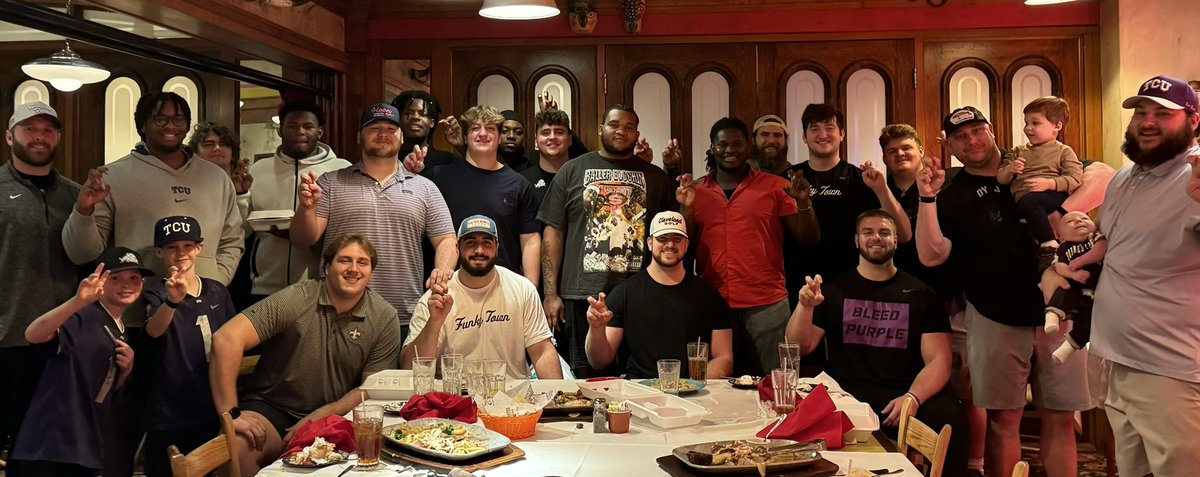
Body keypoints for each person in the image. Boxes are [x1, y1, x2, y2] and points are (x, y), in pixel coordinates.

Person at [916, 106, 1089, 477]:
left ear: (992, 130)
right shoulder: (952, 194)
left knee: (1060, 419)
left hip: (1060, 313)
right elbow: (932, 256)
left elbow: (1097, 181)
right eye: (961, 137)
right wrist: (927, 199)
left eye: (977, 130)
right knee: (1002, 420)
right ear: (950, 146)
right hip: (995, 315)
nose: (972, 140)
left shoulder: (1032, 158)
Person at [785, 209, 968, 476]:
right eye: (868, 232)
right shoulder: (835, 289)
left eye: (884, 232)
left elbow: (939, 361)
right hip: (848, 394)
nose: (876, 238)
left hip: (903, 392)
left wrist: (912, 398)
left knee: (952, 423)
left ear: (896, 241)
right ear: (857, 241)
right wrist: (804, 307)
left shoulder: (921, 294)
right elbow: (799, 347)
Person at [209, 234, 401, 476]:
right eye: (345, 261)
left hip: (336, 418)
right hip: (271, 409)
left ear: (371, 272)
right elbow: (225, 339)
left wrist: (319, 417)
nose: (353, 269)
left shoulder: (385, 317)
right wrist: (231, 415)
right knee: (232, 451)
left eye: (362, 263)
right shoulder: (298, 297)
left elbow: (371, 387)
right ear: (327, 267)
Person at [1091, 74, 1200, 477]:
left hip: (1169, 369)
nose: (1147, 122)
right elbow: (1109, 248)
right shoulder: (1124, 178)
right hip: (1116, 360)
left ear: (1194, 120)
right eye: (1140, 112)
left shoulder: (1195, 176)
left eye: (1162, 114)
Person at [538, 104, 676, 377]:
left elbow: (671, 236)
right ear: (601, 129)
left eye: (629, 127)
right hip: (581, 295)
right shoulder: (572, 170)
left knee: (639, 377)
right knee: (587, 380)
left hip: (639, 296)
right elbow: (553, 233)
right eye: (614, 125)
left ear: (637, 134)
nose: (621, 131)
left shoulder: (656, 177)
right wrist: (551, 293)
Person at [879, 123, 985, 476]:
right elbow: (902, 236)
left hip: (951, 299)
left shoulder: (950, 181)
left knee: (968, 389)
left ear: (922, 150)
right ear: (884, 158)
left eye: (907, 147)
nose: (901, 155)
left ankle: (975, 464)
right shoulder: (878, 189)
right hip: (902, 303)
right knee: (921, 380)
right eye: (892, 151)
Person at [290, 103, 456, 327]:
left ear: (401, 138)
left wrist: (443, 269)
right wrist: (307, 208)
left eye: (390, 129)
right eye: (374, 128)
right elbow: (303, 239)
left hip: (404, 316)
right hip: (337, 313)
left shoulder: (425, 188)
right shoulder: (330, 182)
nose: (383, 134)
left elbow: (447, 239)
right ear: (359, 136)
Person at [677, 117, 818, 375]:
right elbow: (683, 243)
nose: (729, 149)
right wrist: (686, 208)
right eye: (722, 144)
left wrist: (803, 203)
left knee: (773, 384)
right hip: (713, 303)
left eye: (737, 144)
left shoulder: (776, 187)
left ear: (748, 147)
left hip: (767, 305)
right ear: (712, 148)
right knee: (713, 388)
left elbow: (808, 238)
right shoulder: (697, 190)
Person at [62, 91, 245, 287]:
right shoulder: (112, 176)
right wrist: (84, 210)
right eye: (160, 119)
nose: (170, 126)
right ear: (143, 124)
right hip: (136, 304)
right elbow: (81, 254)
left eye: (178, 119)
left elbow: (232, 240)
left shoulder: (217, 177)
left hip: (205, 306)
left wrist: (217, 283)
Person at [7, 248, 142, 477]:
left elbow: (104, 389)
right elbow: (33, 334)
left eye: (134, 278)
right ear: (100, 281)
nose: (125, 285)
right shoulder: (83, 315)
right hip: (51, 446)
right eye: (115, 278)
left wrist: (126, 370)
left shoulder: (120, 330)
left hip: (83, 446)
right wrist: (77, 301)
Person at [0, 101, 82, 462]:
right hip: (7, 338)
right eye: (29, 129)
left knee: (52, 445)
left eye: (47, 130)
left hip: (63, 341)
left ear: (58, 137)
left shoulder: (76, 195)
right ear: (9, 137)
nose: (39, 137)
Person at [402, 215, 562, 379]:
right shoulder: (435, 298)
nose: (479, 250)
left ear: (497, 248)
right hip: (453, 399)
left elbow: (542, 352)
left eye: (486, 242)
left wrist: (557, 396)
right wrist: (434, 322)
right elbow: (409, 368)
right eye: (470, 242)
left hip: (514, 398)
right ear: (458, 248)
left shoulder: (522, 289)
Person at [784, 103, 911, 306]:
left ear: (842, 134)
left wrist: (881, 189)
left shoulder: (861, 179)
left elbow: (903, 235)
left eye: (829, 127)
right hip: (798, 285)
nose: (823, 134)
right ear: (804, 137)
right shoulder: (789, 180)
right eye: (814, 128)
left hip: (851, 286)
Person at [584, 211, 734, 379]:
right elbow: (598, 361)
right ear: (650, 243)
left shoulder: (708, 296)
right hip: (639, 394)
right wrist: (596, 329)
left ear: (686, 244)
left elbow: (725, 359)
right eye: (662, 239)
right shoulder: (624, 293)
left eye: (677, 239)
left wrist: (691, 386)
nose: (670, 245)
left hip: (693, 396)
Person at [140, 216, 236, 477]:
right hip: (170, 413)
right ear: (160, 252)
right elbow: (153, 330)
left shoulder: (217, 291)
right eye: (172, 247)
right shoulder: (155, 294)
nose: (180, 253)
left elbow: (233, 342)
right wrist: (173, 301)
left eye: (186, 246)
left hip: (212, 406)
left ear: (199, 248)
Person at [244, 100, 351, 301]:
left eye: (308, 126)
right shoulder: (258, 170)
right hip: (264, 286)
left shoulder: (342, 170)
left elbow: (347, 228)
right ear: (280, 131)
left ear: (319, 132)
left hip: (319, 285)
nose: (300, 131)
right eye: (292, 126)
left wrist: (304, 234)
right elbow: (244, 229)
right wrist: (241, 195)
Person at [424, 105, 541, 283]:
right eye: (475, 128)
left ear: (499, 137)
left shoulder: (519, 185)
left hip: (503, 288)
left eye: (490, 128)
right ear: (464, 136)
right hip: (450, 286)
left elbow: (530, 240)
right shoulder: (438, 177)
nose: (483, 134)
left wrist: (530, 289)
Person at [997, 97, 1083, 252]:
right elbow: (1002, 179)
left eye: (1035, 123)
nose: (1028, 128)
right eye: (1026, 123)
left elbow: (1075, 179)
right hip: (1022, 199)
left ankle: (1049, 245)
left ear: (1056, 126)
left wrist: (1049, 183)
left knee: (1029, 202)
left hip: (1052, 195)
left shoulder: (1063, 151)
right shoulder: (1017, 151)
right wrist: (1010, 169)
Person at [1041, 212, 1105, 363]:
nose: (1078, 221)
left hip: (1097, 291)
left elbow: (1101, 249)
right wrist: (1074, 275)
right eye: (1070, 221)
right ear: (1061, 236)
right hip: (1076, 285)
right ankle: (1052, 318)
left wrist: (1080, 261)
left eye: (1084, 218)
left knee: (1087, 321)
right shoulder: (1064, 247)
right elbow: (1059, 266)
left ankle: (1069, 347)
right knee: (1064, 291)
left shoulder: (1094, 239)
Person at [391, 91, 460, 170]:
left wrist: (462, 147)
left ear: (432, 123)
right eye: (408, 113)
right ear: (398, 119)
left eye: (423, 114)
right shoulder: (386, 159)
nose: (415, 117)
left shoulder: (448, 161)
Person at [522, 108, 574, 209]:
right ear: (536, 141)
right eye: (545, 133)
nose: (552, 137)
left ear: (570, 140)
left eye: (559, 132)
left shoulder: (583, 177)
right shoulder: (523, 181)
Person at [188, 121, 252, 196]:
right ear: (195, 152)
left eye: (223, 144)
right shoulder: (185, 186)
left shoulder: (241, 185)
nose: (217, 148)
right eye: (208, 144)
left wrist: (240, 193)